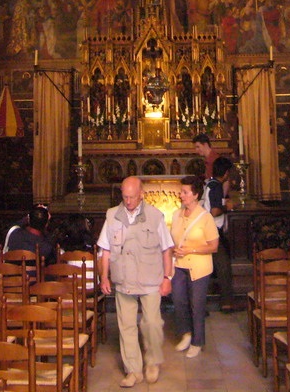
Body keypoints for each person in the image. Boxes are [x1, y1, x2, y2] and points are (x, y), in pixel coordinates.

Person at [98, 176, 174, 387]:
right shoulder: (112, 215)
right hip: (123, 280)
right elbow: (104, 249)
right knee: (126, 327)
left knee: (151, 324)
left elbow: (167, 249)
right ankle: (133, 370)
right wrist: (104, 276)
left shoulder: (155, 216)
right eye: (125, 197)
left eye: (132, 197)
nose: (128, 201)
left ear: (141, 194)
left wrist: (167, 278)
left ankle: (153, 362)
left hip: (150, 279)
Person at [171, 175, 219, 358]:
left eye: (185, 192)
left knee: (196, 304)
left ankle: (197, 341)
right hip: (179, 266)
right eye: (181, 191)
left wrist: (191, 249)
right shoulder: (176, 214)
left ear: (195, 194)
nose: (181, 195)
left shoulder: (205, 217)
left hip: (199, 267)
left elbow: (213, 246)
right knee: (178, 300)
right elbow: (172, 237)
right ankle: (186, 333)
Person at [206, 156, 237, 312]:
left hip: (207, 231)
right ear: (225, 173)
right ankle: (226, 303)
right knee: (223, 267)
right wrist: (228, 208)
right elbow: (215, 211)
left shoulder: (209, 184)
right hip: (213, 233)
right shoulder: (216, 186)